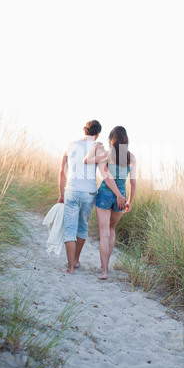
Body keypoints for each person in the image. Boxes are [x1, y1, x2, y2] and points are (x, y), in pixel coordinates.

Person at [58, 120, 126, 274]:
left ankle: (69, 268)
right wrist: (119, 194)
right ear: (97, 134)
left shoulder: (70, 144)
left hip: (72, 190)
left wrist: (61, 194)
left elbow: (62, 171)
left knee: (70, 229)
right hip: (89, 193)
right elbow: (105, 174)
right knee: (82, 227)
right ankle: (75, 261)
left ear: (85, 131)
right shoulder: (99, 147)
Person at [84, 126, 136, 279]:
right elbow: (133, 183)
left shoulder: (107, 154)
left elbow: (87, 161)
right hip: (122, 198)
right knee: (112, 230)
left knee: (104, 233)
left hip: (106, 195)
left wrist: (94, 147)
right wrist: (128, 201)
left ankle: (104, 271)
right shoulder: (131, 157)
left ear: (111, 139)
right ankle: (107, 266)